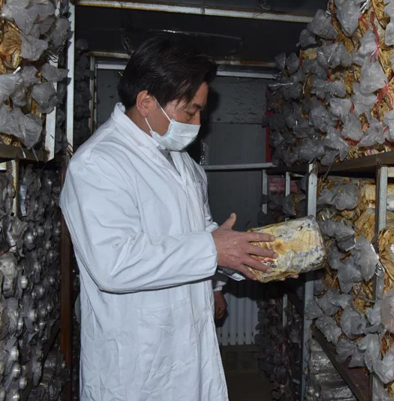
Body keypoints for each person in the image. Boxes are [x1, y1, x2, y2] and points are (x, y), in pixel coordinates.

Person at [60, 38, 277, 401]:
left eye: (200, 112)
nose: (198, 123)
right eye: (190, 112)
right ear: (146, 102)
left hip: (188, 344)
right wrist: (212, 249)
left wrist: (244, 256)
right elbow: (113, 264)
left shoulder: (183, 164)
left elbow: (199, 235)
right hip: (137, 362)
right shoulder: (98, 164)